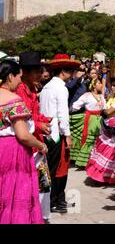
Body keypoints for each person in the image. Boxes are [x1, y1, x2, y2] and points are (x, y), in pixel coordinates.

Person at [0, 60, 48, 224]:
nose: (20, 80)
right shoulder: (13, 100)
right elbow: (23, 135)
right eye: (19, 76)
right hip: (13, 152)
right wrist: (40, 145)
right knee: (15, 193)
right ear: (10, 76)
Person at [40, 54, 80, 214]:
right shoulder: (61, 88)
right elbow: (63, 114)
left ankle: (52, 200)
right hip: (57, 133)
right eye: (70, 71)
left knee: (49, 167)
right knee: (58, 168)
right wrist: (68, 135)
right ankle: (54, 201)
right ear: (63, 71)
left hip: (46, 131)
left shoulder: (46, 87)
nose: (72, 75)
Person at [16, 52, 52, 222]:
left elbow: (34, 115)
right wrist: (39, 125)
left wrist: (44, 121)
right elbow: (23, 121)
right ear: (26, 72)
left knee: (42, 185)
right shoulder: (20, 92)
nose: (41, 75)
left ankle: (39, 216)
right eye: (37, 71)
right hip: (28, 146)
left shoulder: (32, 89)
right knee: (32, 186)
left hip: (37, 143)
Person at [85, 78, 115, 184]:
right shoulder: (112, 98)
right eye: (111, 85)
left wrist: (101, 111)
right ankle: (100, 176)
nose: (112, 87)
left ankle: (104, 177)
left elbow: (108, 112)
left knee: (110, 153)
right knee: (102, 150)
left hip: (113, 131)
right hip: (106, 128)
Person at [69, 78, 106, 168]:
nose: (101, 85)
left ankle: (95, 161)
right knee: (90, 139)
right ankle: (84, 162)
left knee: (98, 140)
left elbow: (105, 107)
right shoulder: (87, 95)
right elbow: (76, 105)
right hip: (90, 119)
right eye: (99, 83)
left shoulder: (102, 96)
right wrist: (69, 111)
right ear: (93, 85)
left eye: (101, 83)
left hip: (100, 119)